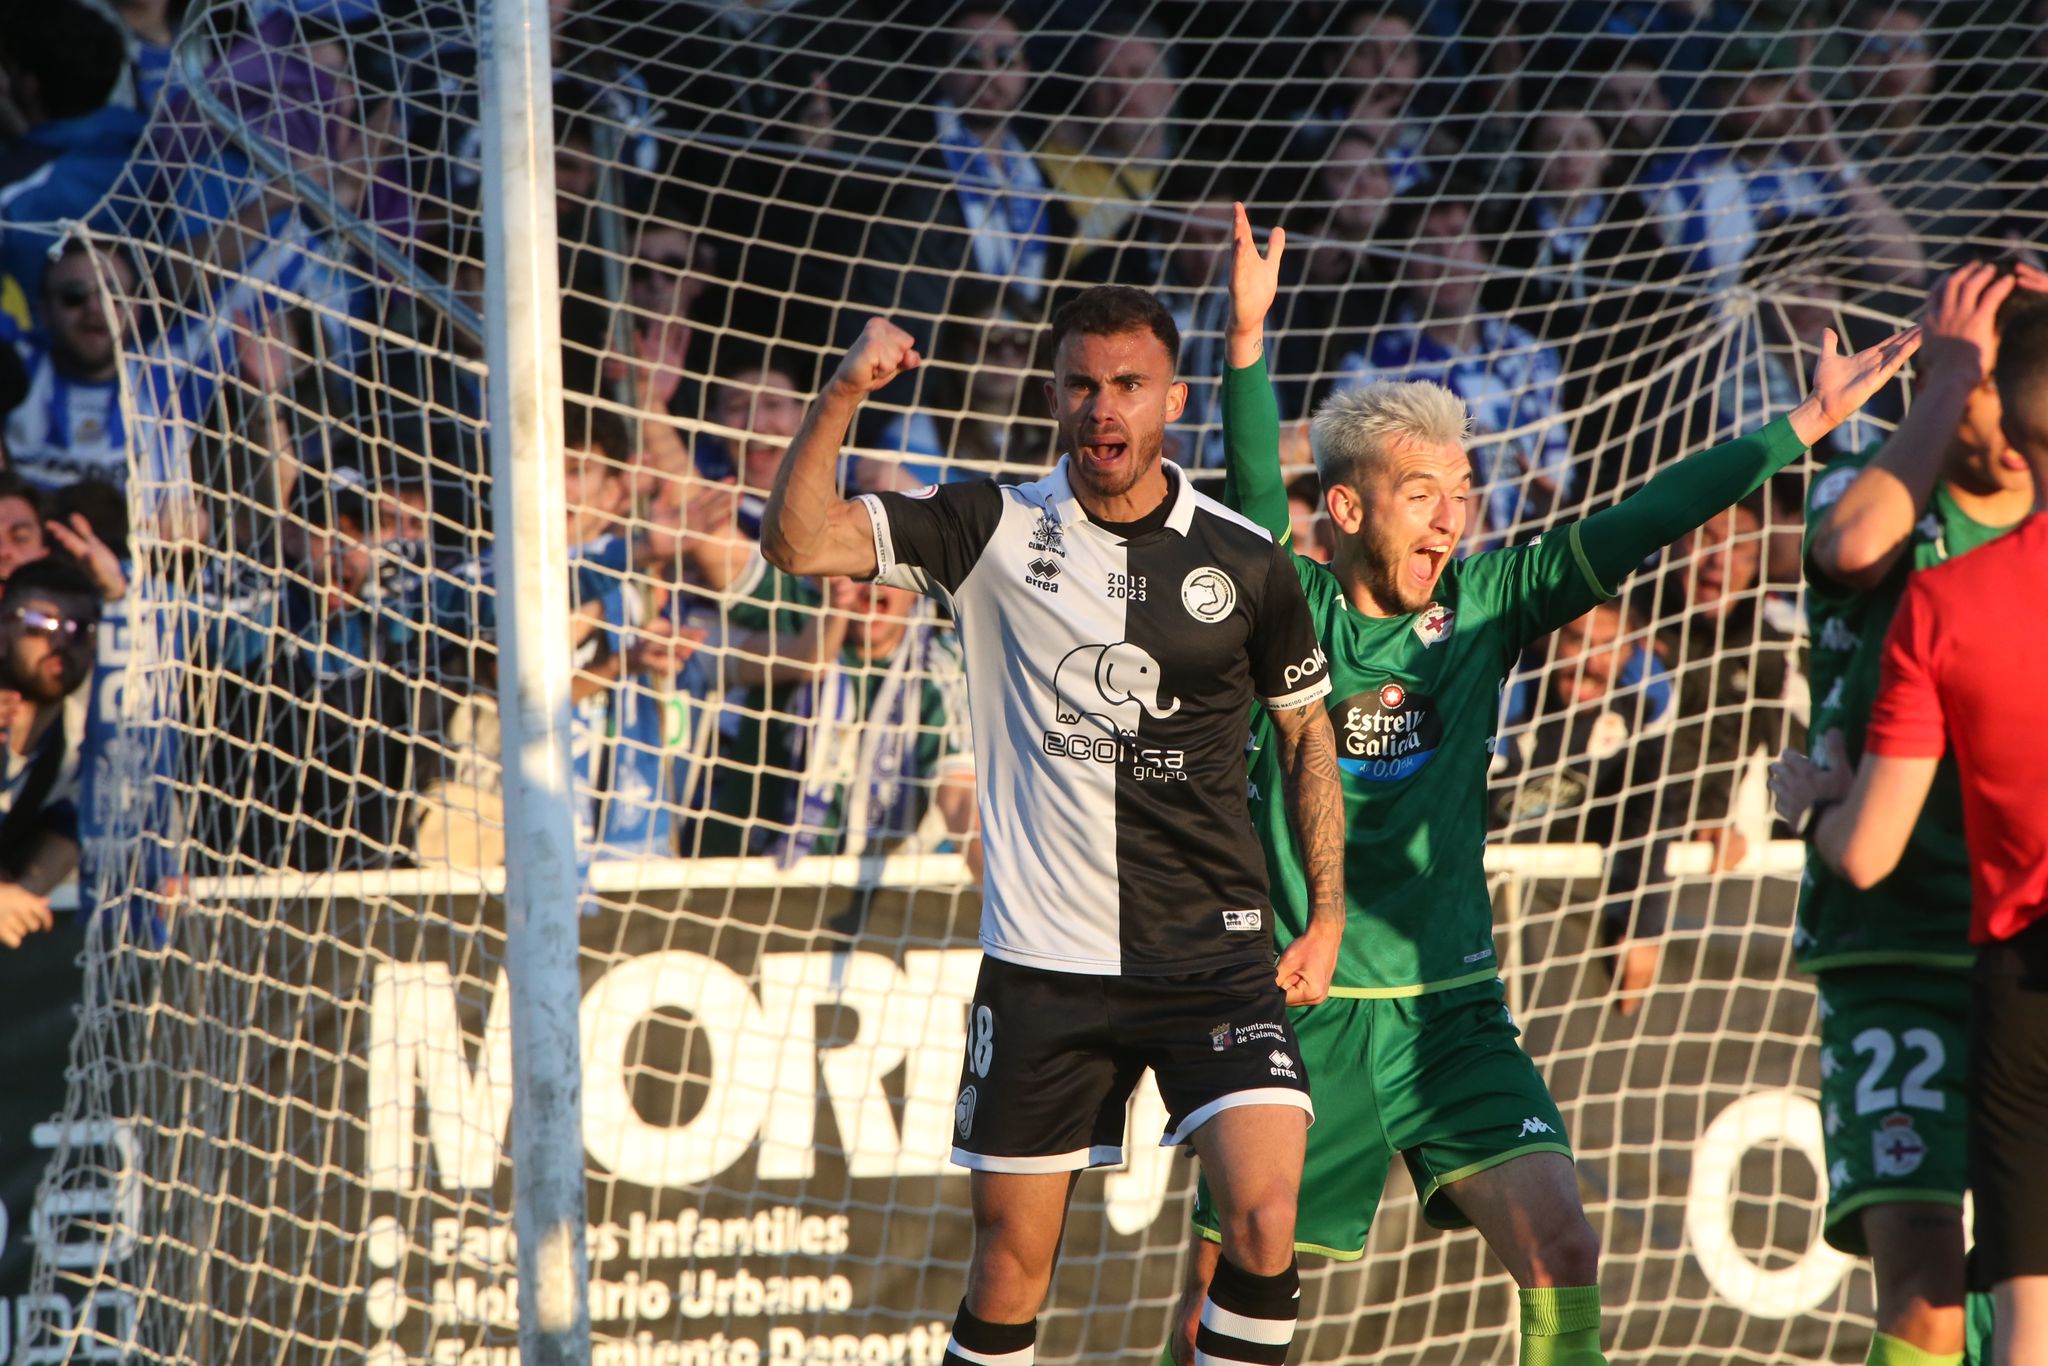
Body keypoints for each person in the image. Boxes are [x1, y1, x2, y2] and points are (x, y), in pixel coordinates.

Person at [1166, 204, 1921, 1366]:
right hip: (1298, 1008)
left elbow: (1642, 520)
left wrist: (1795, 430)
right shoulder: (1293, 607)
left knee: (1562, 1248)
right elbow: (1259, 484)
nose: (1452, 516)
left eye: (1460, 492)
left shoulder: (1485, 601)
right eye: (1424, 494)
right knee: (1223, 1292)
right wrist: (1247, 340)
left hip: (1451, 1011)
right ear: (1350, 511)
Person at [759, 287, 1347, 1366]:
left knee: (1262, 1225)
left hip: (1211, 960)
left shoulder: (1245, 558)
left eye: (1126, 385)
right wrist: (844, 390)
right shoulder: (988, 526)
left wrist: (1325, 914)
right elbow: (797, 544)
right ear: (1054, 394)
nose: (1101, 407)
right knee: (1006, 1269)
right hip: (1042, 966)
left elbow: (1307, 733)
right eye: (1081, 384)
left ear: (1173, 399)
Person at [1772, 264, 2048, 1366]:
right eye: (1965, 377)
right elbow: (1844, 547)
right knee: (1929, 1289)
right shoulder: (1881, 492)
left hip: (2010, 939)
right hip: (1893, 938)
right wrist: (1943, 379)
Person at [0, 556, 100, 947]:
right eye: (41, 625)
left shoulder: (83, 727)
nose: (61, 642)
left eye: (80, 629)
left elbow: (73, 825)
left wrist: (20, 894)